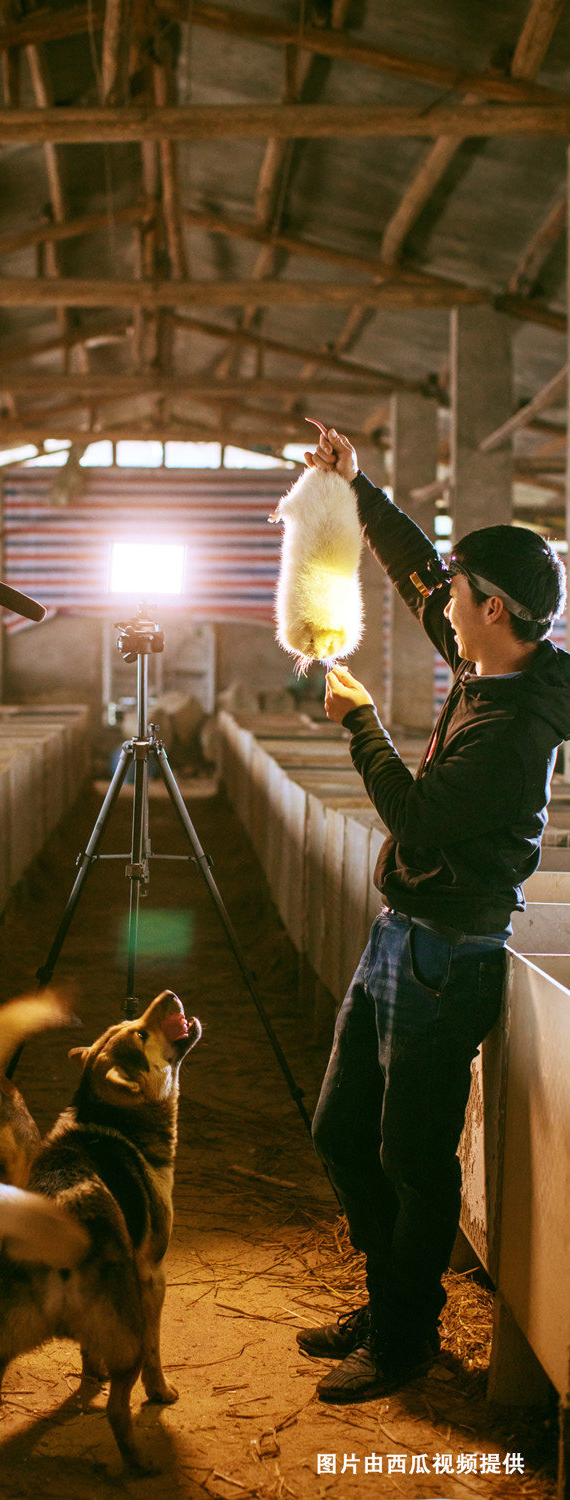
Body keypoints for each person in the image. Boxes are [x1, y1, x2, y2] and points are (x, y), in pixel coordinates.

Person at [294, 429, 570, 1404]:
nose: (438, 605)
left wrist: (358, 720)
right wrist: (357, 486)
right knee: (339, 1133)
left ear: (492, 609)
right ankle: (392, 1293)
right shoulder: (485, 659)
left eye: (458, 595)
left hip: (448, 956)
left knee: (413, 1161)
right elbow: (415, 566)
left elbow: (412, 813)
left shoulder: (514, 727)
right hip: (398, 935)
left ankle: (405, 1336)